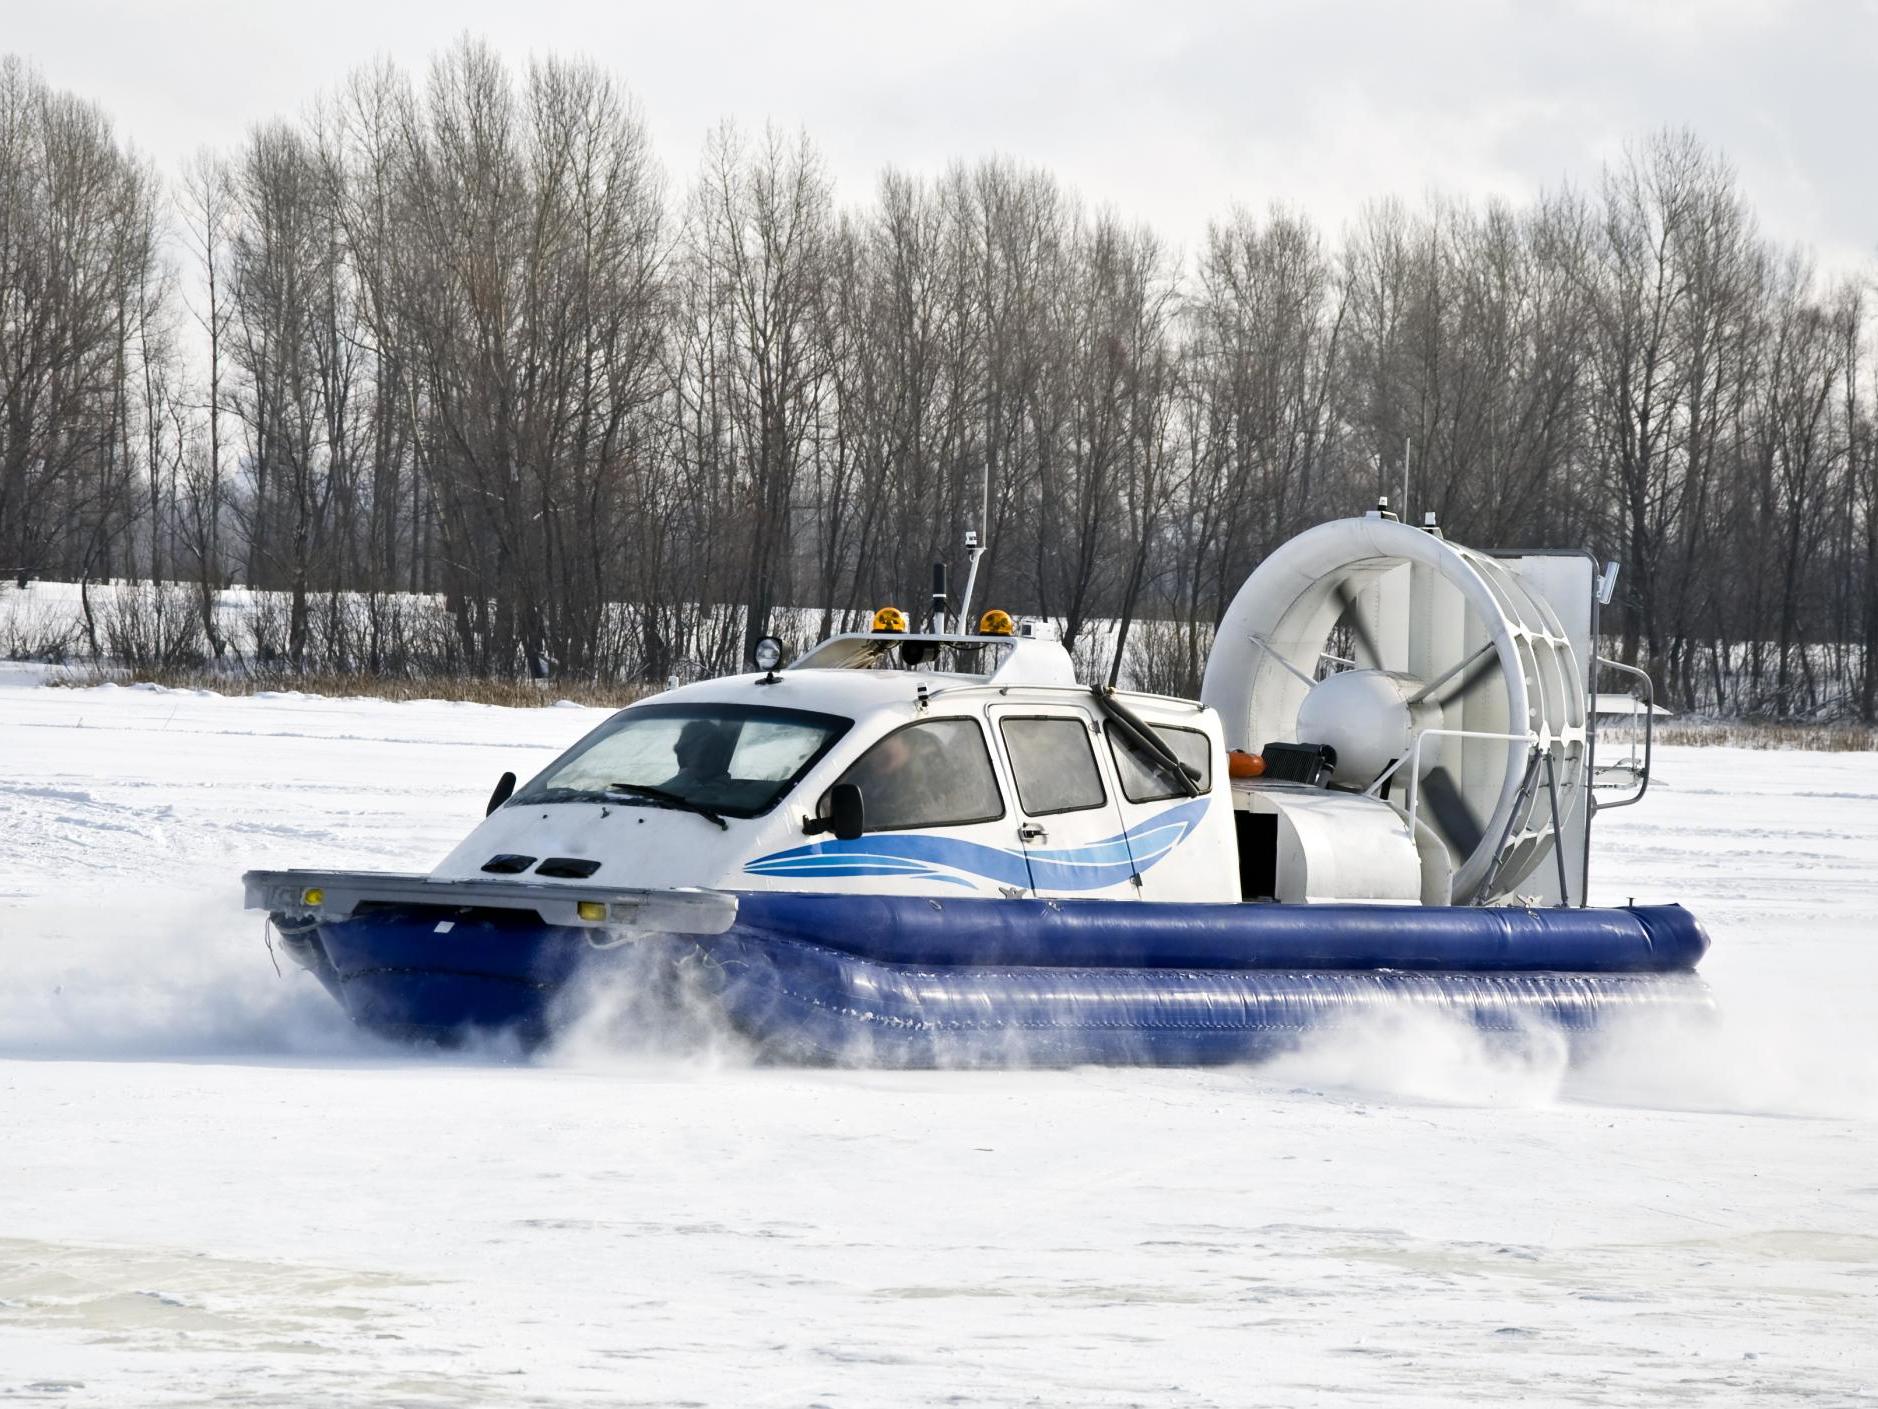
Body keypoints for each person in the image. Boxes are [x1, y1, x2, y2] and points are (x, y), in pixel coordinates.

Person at [663, 719, 735, 795]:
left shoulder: (737, 796)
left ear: (721, 755)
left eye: (708, 751)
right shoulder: (658, 793)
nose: (699, 757)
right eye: (691, 750)